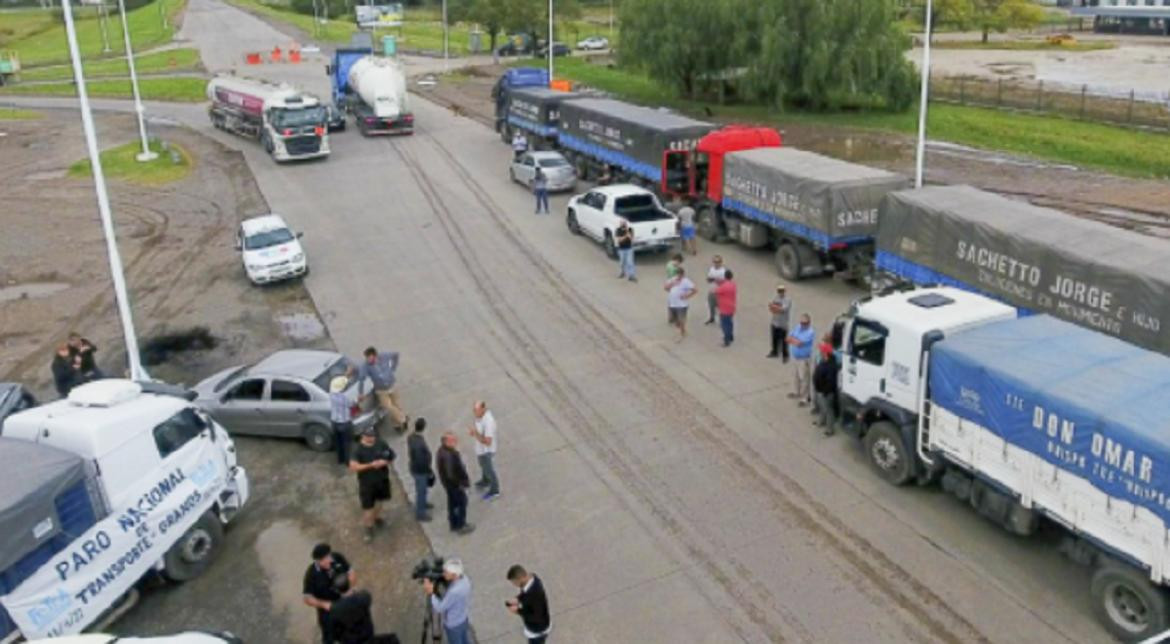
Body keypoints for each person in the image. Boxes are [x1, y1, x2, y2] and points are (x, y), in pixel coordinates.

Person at [349, 427, 396, 543]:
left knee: (380, 503)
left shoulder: (381, 443)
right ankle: (368, 528)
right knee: (368, 508)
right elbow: (353, 466)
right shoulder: (357, 449)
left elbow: (392, 456)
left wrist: (384, 462)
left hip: (382, 480)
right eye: (369, 437)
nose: (372, 439)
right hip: (367, 484)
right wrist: (371, 465)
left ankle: (376, 518)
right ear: (363, 436)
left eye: (373, 436)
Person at [303, 543, 355, 644]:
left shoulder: (337, 558)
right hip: (327, 609)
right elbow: (307, 598)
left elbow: (351, 572)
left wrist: (349, 589)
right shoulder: (311, 574)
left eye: (329, 556)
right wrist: (324, 605)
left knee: (352, 632)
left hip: (344, 601)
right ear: (318, 561)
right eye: (325, 559)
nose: (330, 560)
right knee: (329, 638)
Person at [355, 347, 408, 432]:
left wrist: (393, 368)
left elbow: (396, 354)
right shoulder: (365, 366)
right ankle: (403, 419)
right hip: (381, 390)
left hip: (392, 385)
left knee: (396, 404)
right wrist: (360, 393)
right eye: (367, 358)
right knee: (387, 406)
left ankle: (397, 425)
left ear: (375, 356)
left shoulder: (383, 356)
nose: (368, 361)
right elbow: (361, 379)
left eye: (370, 358)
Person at [425, 558, 472, 644]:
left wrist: (431, 593)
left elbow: (440, 608)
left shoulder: (454, 592)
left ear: (454, 575)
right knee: (465, 641)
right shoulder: (465, 580)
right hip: (463, 618)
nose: (443, 574)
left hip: (453, 624)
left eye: (446, 572)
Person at [437, 433, 475, 534]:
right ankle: (461, 525)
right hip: (455, 485)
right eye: (453, 440)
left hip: (449, 485)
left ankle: (453, 523)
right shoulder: (448, 455)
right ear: (446, 442)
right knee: (462, 503)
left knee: (452, 504)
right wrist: (460, 484)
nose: (456, 441)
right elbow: (451, 474)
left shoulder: (442, 451)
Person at [506, 565, 551, 644]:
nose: (514, 585)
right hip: (540, 624)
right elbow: (525, 592)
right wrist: (518, 599)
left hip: (538, 630)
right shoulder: (533, 580)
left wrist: (518, 611)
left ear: (520, 579)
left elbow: (536, 617)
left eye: (514, 582)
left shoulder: (533, 594)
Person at [329, 576, 377, 644]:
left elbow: (335, 632)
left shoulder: (335, 609)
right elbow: (368, 596)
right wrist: (355, 591)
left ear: (337, 591)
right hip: (367, 636)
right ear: (349, 584)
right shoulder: (362, 597)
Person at [469, 401, 500, 501]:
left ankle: (495, 490)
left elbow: (488, 441)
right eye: (474, 410)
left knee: (489, 469)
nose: (474, 412)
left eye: (476, 410)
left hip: (487, 450)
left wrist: (475, 434)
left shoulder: (489, 421)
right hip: (480, 449)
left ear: (483, 409)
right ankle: (485, 480)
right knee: (482, 465)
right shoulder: (480, 417)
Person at [408, 418, 435, 522]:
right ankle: (420, 513)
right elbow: (421, 460)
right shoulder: (419, 443)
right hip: (421, 471)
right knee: (421, 491)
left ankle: (423, 504)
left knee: (421, 490)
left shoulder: (411, 437)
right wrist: (428, 470)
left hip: (414, 468)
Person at [787, 314, 817, 406]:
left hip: (804, 359)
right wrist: (794, 340)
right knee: (795, 376)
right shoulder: (798, 327)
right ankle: (796, 392)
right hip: (795, 357)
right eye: (801, 322)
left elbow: (799, 343)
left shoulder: (810, 332)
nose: (802, 325)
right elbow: (788, 338)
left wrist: (794, 340)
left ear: (809, 323)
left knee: (804, 378)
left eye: (805, 323)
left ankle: (805, 398)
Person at [812, 343, 840, 435]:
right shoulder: (824, 361)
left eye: (822, 350)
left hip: (826, 392)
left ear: (826, 353)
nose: (820, 351)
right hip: (820, 390)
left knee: (828, 410)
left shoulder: (831, 365)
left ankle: (829, 429)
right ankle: (821, 421)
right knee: (822, 407)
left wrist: (824, 391)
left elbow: (830, 382)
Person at [664, 267, 697, 343]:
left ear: (683, 274)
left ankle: (682, 334)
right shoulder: (673, 279)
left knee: (681, 320)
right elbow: (665, 288)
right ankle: (682, 330)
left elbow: (695, 290)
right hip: (672, 303)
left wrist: (687, 296)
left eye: (680, 274)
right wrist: (671, 284)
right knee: (674, 320)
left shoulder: (686, 281)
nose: (678, 276)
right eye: (677, 274)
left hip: (682, 305)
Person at [330, 376, 355, 466]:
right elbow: (352, 404)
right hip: (345, 423)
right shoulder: (345, 397)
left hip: (334, 422)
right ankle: (347, 462)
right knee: (346, 444)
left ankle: (340, 460)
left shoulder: (331, 395)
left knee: (338, 442)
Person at [767, 285, 792, 361]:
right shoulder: (775, 297)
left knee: (784, 341)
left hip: (783, 324)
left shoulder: (787, 300)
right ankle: (774, 352)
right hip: (774, 322)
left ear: (784, 291)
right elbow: (770, 307)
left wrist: (775, 307)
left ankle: (785, 356)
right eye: (779, 291)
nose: (780, 293)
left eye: (781, 291)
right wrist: (775, 308)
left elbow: (783, 309)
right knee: (774, 339)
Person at [714, 270, 737, 347]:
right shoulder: (733, 284)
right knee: (730, 322)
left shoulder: (723, 286)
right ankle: (731, 336)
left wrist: (718, 283)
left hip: (724, 307)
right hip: (732, 306)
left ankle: (726, 340)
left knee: (724, 324)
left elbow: (716, 291)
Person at [704, 256, 728, 325]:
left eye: (718, 262)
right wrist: (709, 279)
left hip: (720, 293)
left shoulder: (723, 271)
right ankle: (712, 318)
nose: (716, 263)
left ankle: (722, 321)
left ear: (721, 262)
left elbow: (726, 283)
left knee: (721, 308)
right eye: (714, 262)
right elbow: (708, 279)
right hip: (711, 291)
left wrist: (716, 280)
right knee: (711, 306)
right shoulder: (711, 269)